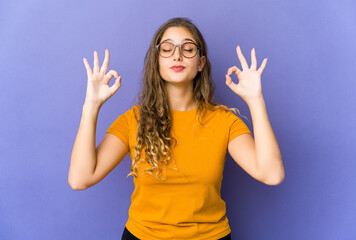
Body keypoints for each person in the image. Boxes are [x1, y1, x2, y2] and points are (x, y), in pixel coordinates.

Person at [68, 17, 284, 240]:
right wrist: (91, 106)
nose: (177, 55)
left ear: (200, 63)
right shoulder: (133, 120)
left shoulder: (224, 121)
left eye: (188, 49)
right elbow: (80, 178)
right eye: (167, 49)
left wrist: (256, 100)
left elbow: (271, 174)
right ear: (157, 61)